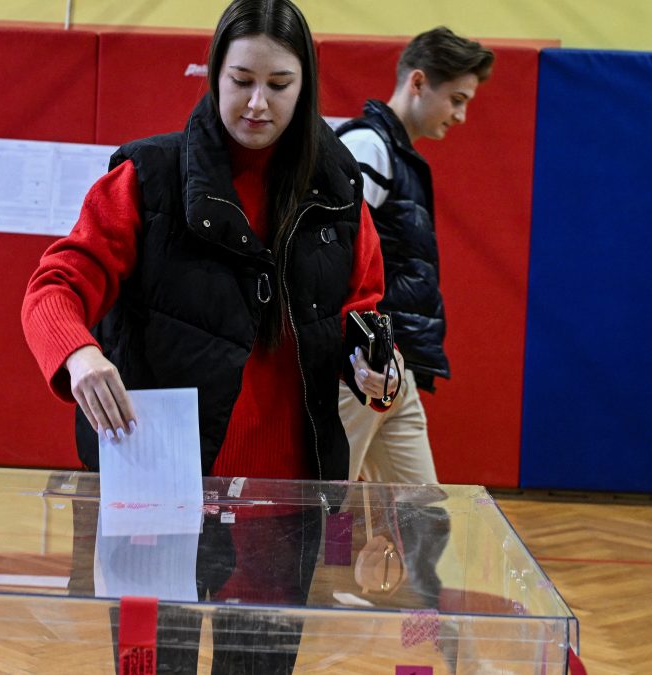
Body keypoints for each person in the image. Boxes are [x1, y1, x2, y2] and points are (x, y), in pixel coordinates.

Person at [21, 0, 394, 671]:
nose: (258, 103)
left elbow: (361, 305)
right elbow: (55, 287)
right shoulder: (146, 177)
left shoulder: (339, 193)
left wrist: (372, 366)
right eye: (241, 80)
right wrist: (77, 354)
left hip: (285, 503)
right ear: (213, 76)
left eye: (279, 85)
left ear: (304, 85)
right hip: (156, 496)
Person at [335, 27, 495, 484]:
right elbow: (328, 257)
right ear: (419, 82)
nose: (461, 116)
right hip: (359, 371)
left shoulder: (396, 155)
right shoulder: (367, 148)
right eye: (458, 99)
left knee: (422, 517)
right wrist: (354, 352)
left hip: (392, 367)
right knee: (321, 514)